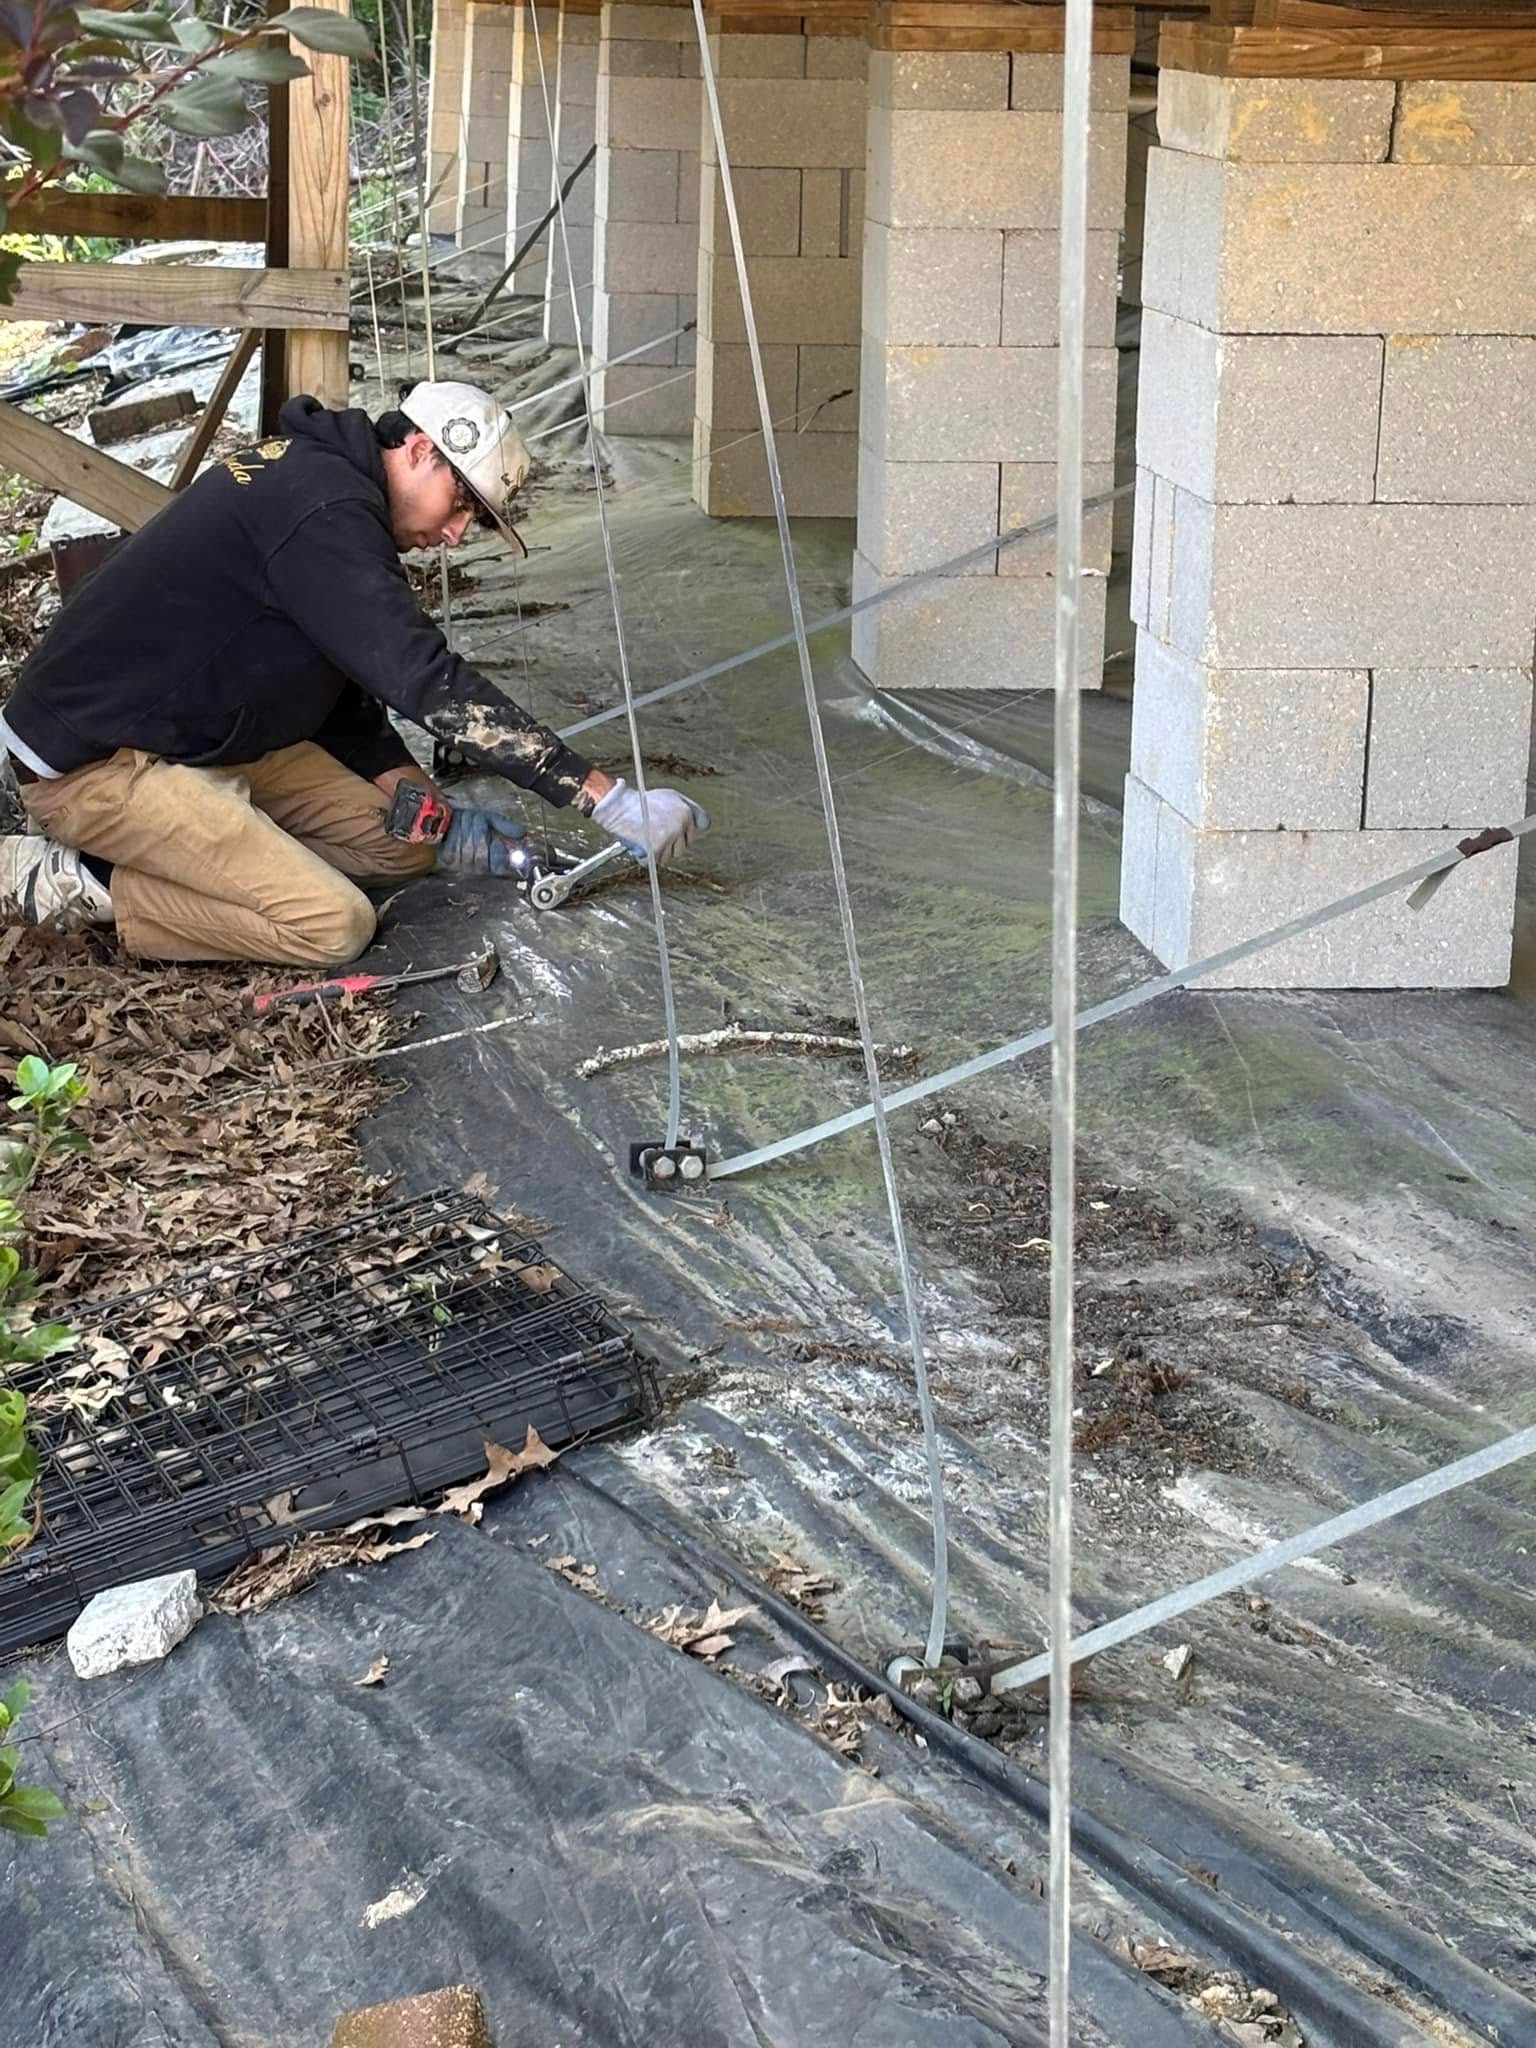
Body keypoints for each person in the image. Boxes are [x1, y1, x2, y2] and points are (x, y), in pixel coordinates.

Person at [0, 379, 708, 966]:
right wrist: (603, 797)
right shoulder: (323, 506)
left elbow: (338, 683)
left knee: (409, 848)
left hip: (194, 735)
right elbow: (424, 678)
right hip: (95, 762)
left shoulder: (328, 486)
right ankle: (74, 877)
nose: (457, 534)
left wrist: (434, 811)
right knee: (333, 924)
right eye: (463, 505)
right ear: (421, 450)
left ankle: (217, 852)